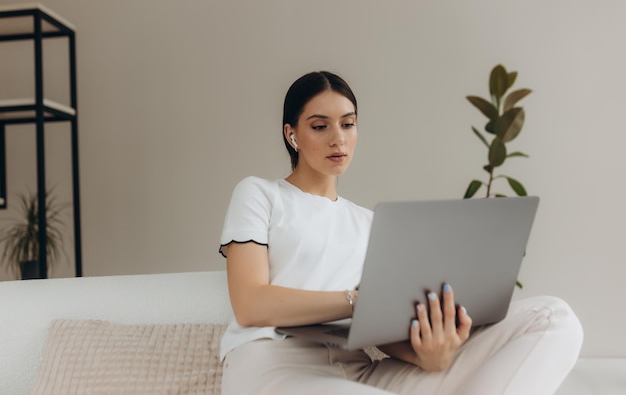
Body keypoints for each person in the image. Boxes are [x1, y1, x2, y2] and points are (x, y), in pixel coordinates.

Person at [218, 71, 583, 395]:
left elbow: (385, 332)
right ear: (291, 134)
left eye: (348, 124)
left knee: (554, 318)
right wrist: (354, 300)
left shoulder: (372, 224)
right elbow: (251, 305)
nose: (337, 139)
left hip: (360, 369)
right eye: (319, 126)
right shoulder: (259, 193)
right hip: (274, 364)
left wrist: (432, 354)